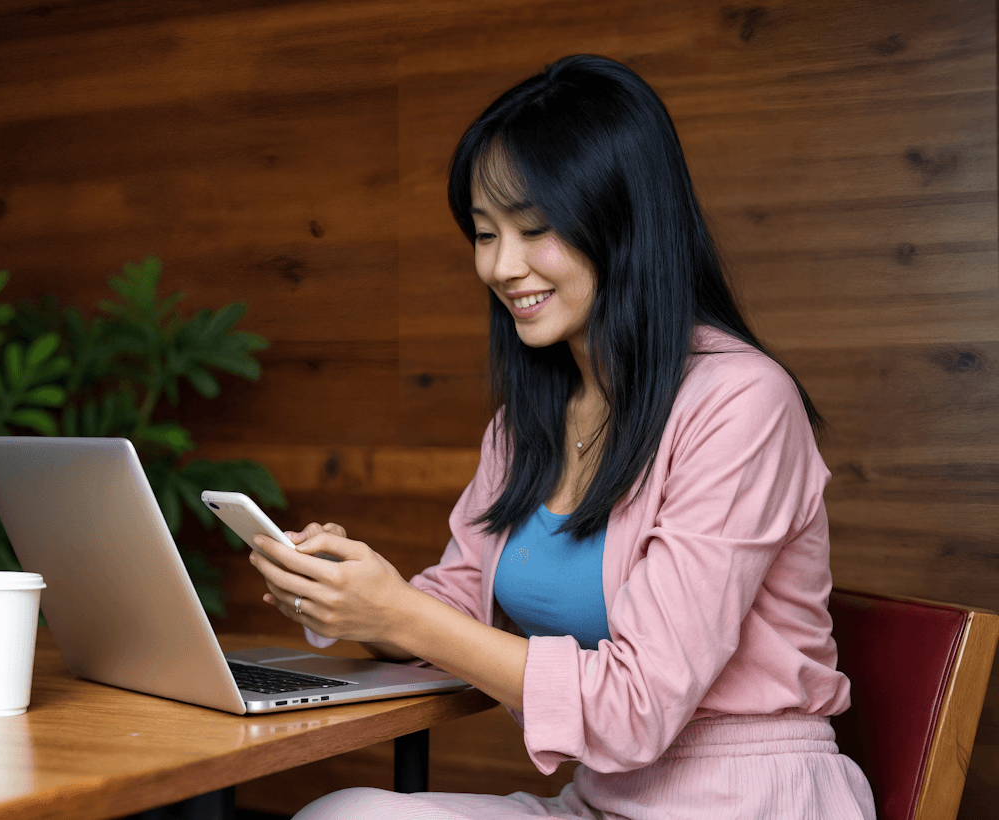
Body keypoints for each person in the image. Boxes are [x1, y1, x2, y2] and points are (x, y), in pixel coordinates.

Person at [245, 54, 876, 819]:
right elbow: (456, 604)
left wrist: (400, 615)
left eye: (534, 229)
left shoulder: (742, 402)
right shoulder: (529, 421)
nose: (502, 266)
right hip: (603, 804)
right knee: (345, 814)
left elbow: (635, 706)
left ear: (623, 220)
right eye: (484, 234)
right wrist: (341, 593)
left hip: (749, 801)